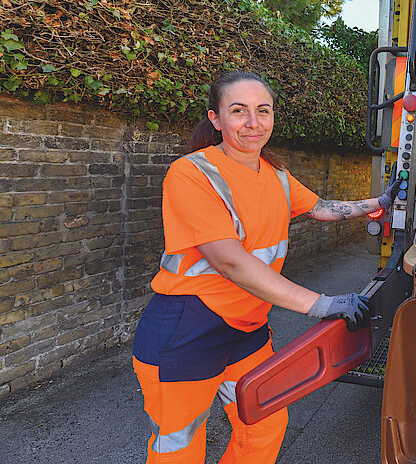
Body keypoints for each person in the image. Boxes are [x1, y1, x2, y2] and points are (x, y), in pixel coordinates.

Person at [131, 70, 401, 463]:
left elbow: (320, 208)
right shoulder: (191, 173)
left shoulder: (276, 175)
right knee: (180, 446)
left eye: (264, 111)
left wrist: (379, 202)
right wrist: (320, 304)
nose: (253, 123)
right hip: (186, 329)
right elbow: (229, 260)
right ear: (215, 119)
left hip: (246, 329)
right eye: (238, 111)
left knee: (264, 425)